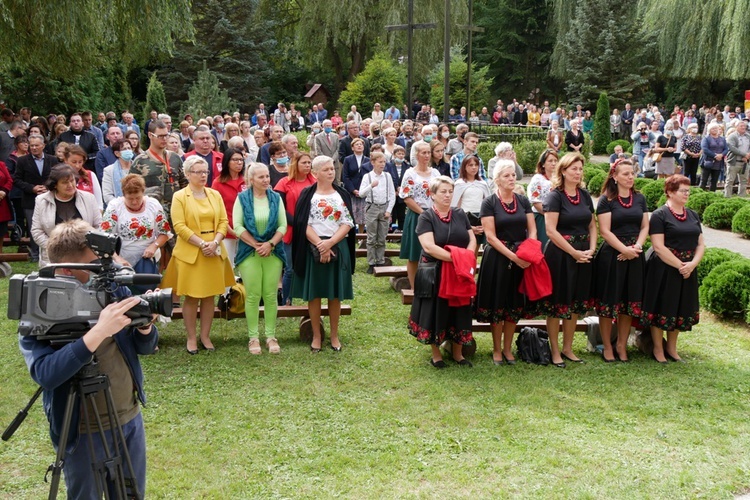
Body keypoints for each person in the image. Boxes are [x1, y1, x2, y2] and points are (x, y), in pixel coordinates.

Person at [19, 219, 158, 499]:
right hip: (82, 431)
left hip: (128, 418)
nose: (104, 270)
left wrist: (145, 326)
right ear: (68, 269)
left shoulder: (109, 287)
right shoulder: (41, 305)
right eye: (94, 264)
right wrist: (98, 332)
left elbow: (142, 347)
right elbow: (46, 373)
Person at [160, 156, 235, 354]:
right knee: (192, 297)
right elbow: (179, 226)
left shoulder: (214, 195)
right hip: (191, 252)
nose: (203, 175)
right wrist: (202, 244)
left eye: (205, 172)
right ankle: (191, 338)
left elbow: (222, 221)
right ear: (187, 174)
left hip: (214, 250)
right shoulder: (179, 196)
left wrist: (215, 242)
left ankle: (205, 336)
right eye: (198, 172)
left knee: (209, 296)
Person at [408, 176, 476, 368]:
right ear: (433, 195)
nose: (447, 195)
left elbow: (471, 239)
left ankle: (457, 353)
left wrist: (467, 257)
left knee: (459, 309)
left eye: (450, 191)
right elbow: (429, 247)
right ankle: (436, 354)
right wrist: (458, 259)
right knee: (436, 310)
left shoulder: (460, 213)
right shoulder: (426, 217)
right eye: (443, 192)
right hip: (435, 271)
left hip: (458, 272)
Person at [291, 156, 355, 352]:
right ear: (315, 173)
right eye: (326, 169)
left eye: (332, 169)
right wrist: (320, 245)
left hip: (337, 245)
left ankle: (334, 336)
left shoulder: (341, 194)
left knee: (335, 294)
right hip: (313, 246)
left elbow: (347, 223)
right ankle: (317, 336)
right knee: (315, 294)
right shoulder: (307, 195)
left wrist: (330, 244)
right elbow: (303, 224)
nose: (331, 172)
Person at [475, 161, 537, 364]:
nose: (511, 179)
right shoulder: (490, 202)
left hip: (521, 254)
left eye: (513, 175)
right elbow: (490, 237)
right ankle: (496, 349)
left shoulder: (523, 200)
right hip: (498, 258)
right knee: (498, 304)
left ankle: (508, 348)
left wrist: (529, 251)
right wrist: (513, 257)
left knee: (514, 304)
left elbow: (533, 229)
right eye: (506, 176)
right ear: (497, 180)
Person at [541, 153, 597, 367]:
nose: (578, 172)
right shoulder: (555, 196)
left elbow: (591, 225)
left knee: (574, 303)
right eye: (574, 168)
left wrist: (591, 249)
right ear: (563, 171)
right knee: (558, 304)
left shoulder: (583, 195)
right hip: (561, 255)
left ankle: (568, 348)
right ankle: (555, 350)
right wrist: (573, 252)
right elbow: (550, 231)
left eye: (580, 169)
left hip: (583, 254)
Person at [642, 175, 705, 363]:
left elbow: (700, 244)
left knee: (679, 308)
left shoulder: (692, 215)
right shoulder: (660, 215)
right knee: (661, 307)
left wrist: (692, 264)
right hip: (664, 268)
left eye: (688, 190)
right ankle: (658, 349)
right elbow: (658, 247)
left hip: (687, 269)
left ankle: (672, 348)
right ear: (670, 192)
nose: (687, 194)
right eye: (683, 190)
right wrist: (680, 265)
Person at [593, 158, 648, 362]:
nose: (630, 177)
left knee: (628, 304)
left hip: (635, 254)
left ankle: (621, 345)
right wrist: (624, 249)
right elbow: (605, 231)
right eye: (625, 174)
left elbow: (645, 227)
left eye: (632, 173)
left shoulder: (640, 198)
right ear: (614, 177)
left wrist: (637, 247)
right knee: (609, 304)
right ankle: (607, 346)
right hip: (613, 256)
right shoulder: (606, 200)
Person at [233, 163, 288, 354]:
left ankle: (271, 336)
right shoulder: (241, 199)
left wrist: (270, 244)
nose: (266, 180)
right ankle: (253, 337)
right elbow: (237, 226)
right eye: (261, 177)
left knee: (271, 295)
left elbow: (282, 225)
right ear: (251, 180)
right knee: (254, 295)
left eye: (267, 176)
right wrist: (255, 244)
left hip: (273, 252)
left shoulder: (276, 198)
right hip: (250, 252)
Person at [101, 174, 172, 283]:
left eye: (138, 198)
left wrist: (154, 246)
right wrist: (116, 258)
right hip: (122, 262)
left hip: (147, 262)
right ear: (123, 195)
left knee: (147, 291)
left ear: (143, 193)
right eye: (130, 199)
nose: (134, 202)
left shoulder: (153, 204)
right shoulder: (115, 206)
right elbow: (104, 237)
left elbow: (165, 233)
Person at [31, 165, 102, 267]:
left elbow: (98, 226)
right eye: (64, 182)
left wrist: (87, 247)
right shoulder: (41, 201)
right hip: (53, 258)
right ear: (55, 185)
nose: (70, 185)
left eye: (72, 181)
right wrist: (54, 248)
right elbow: (37, 231)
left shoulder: (89, 198)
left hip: (85, 256)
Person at [275, 152, 316, 305]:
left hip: (311, 231)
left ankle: (310, 299)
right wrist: (299, 223)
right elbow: (280, 209)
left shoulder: (315, 182)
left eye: (309, 163)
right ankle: (287, 300)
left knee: (310, 267)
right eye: (304, 163)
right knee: (290, 269)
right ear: (295, 164)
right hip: (291, 231)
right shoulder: (284, 183)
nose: (307, 165)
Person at [130, 120, 188, 224]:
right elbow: (132, 190)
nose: (164, 139)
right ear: (150, 135)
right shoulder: (140, 161)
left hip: (177, 212)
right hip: (152, 214)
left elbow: (184, 184)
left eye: (166, 135)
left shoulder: (175, 158)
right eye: (160, 136)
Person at [399, 142, 440, 289]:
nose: (427, 155)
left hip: (435, 215)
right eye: (423, 153)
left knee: (435, 250)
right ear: (416, 154)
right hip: (417, 215)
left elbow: (440, 192)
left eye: (429, 152)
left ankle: (432, 285)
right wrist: (423, 213)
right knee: (414, 253)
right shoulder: (410, 173)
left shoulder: (435, 173)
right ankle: (414, 288)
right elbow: (406, 197)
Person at [358, 151, 396, 273]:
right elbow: (361, 193)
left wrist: (389, 210)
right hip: (372, 208)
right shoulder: (367, 177)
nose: (383, 164)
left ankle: (380, 260)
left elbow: (392, 194)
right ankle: (371, 262)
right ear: (373, 163)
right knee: (371, 236)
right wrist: (371, 186)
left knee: (382, 236)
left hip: (384, 207)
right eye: (380, 162)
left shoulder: (387, 176)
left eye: (384, 162)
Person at [211, 147, 247, 267]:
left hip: (247, 231)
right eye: (235, 160)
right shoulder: (218, 183)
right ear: (227, 162)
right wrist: (230, 230)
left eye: (241, 160)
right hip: (227, 231)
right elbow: (216, 211)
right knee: (227, 266)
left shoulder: (247, 180)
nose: (239, 163)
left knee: (246, 265)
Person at [451, 156, 491, 255]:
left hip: (479, 217)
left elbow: (488, 202)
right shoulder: (459, 184)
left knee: (475, 251)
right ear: (464, 167)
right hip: (465, 216)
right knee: (465, 249)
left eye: (476, 165)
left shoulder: (482, 183)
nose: (474, 167)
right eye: (470, 165)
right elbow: (455, 205)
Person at [526, 149, 558, 247]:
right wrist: (549, 215)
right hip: (542, 218)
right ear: (543, 164)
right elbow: (536, 201)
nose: (553, 163)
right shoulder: (538, 179)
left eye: (555, 161)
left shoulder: (560, 179)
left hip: (558, 218)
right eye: (550, 161)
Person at [341, 137, 370, 234]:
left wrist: (363, 190)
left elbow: (370, 176)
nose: (359, 146)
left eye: (361, 144)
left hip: (364, 190)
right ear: (352, 147)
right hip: (351, 190)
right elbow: (345, 176)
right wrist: (353, 190)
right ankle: (351, 234)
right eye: (357, 144)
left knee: (363, 214)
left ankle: (361, 235)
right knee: (351, 213)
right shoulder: (347, 159)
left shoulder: (368, 160)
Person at [64, 144, 103, 211]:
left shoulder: (90, 175)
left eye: (80, 162)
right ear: (65, 160)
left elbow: (99, 203)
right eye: (74, 162)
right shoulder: (59, 177)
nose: (77, 165)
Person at [102, 139, 134, 204]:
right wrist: (122, 205)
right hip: (118, 207)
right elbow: (107, 195)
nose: (128, 150)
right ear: (117, 153)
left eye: (129, 148)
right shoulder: (109, 170)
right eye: (124, 149)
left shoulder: (139, 167)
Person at [700, 122, 728, 192]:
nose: (715, 130)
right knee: (704, 180)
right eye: (713, 128)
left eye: (716, 128)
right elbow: (705, 149)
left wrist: (721, 155)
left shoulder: (722, 139)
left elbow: (726, 149)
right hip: (708, 162)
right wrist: (715, 155)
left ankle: (712, 195)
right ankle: (699, 194)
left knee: (714, 181)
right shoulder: (706, 138)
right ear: (709, 130)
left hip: (718, 163)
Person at [725, 120, 750, 198]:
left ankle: (741, 197)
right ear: (736, 127)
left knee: (744, 181)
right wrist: (744, 154)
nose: (743, 127)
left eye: (744, 126)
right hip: (734, 162)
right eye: (741, 126)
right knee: (730, 181)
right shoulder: (732, 136)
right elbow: (732, 148)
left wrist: (748, 156)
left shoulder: (748, 136)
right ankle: (727, 197)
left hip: (745, 162)